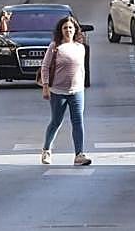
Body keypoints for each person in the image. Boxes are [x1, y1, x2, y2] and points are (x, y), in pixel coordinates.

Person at [39, 16, 91, 167]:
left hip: (77, 91)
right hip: (58, 91)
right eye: (65, 28)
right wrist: (46, 87)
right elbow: (45, 67)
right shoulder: (55, 46)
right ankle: (46, 150)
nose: (68, 30)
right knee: (56, 121)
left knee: (78, 121)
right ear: (60, 31)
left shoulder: (80, 47)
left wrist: (82, 85)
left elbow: (82, 69)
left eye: (70, 28)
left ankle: (79, 154)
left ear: (75, 30)